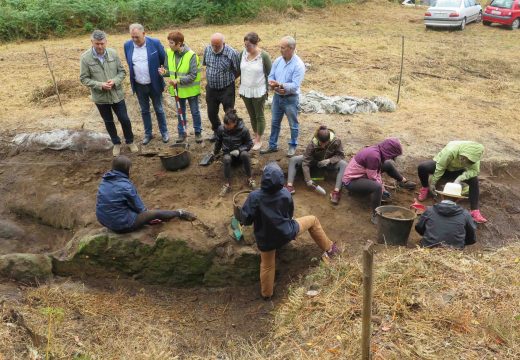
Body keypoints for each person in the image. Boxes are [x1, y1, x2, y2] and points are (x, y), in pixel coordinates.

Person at [239, 162, 340, 300]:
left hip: (266, 240)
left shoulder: (254, 197)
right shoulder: (285, 193)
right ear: (281, 179)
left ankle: (267, 295)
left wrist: (242, 215)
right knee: (313, 220)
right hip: (287, 232)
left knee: (267, 265)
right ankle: (330, 249)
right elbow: (289, 215)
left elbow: (246, 220)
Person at [96, 156, 196, 233]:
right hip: (121, 226)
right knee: (153, 213)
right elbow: (141, 209)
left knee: (125, 207)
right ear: (127, 169)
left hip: (104, 221)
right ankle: (180, 213)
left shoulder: (104, 181)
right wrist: (147, 218)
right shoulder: (126, 186)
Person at [80, 30, 138, 157]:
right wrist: (100, 85)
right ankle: (116, 143)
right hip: (100, 97)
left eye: (102, 43)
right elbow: (84, 78)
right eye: (97, 44)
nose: (100, 46)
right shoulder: (85, 58)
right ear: (92, 42)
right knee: (108, 121)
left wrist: (115, 81)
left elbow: (122, 72)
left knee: (124, 119)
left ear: (106, 42)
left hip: (117, 94)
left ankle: (130, 141)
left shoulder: (113, 53)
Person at [342, 138, 416, 224]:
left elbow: (376, 172)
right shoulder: (374, 156)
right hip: (351, 181)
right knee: (377, 187)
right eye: (394, 155)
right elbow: (373, 178)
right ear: (390, 152)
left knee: (388, 164)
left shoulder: (378, 151)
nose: (393, 157)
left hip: (363, 175)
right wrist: (382, 190)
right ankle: (375, 215)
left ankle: (403, 182)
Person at [417, 141, 487, 223]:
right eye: (463, 159)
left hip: (457, 171)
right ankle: (425, 187)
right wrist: (433, 183)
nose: (464, 162)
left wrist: (460, 178)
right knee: (422, 167)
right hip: (444, 168)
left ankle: (474, 211)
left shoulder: (475, 158)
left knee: (474, 180)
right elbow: (440, 167)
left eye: (468, 161)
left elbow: (474, 171)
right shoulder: (451, 151)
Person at [260, 36, 305, 157]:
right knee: (274, 122)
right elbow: (271, 76)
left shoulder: (298, 65)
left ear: (291, 48)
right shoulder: (278, 61)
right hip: (277, 97)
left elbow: (295, 85)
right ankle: (272, 145)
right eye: (280, 47)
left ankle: (293, 146)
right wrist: (273, 85)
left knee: (293, 124)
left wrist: (280, 85)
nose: (280, 49)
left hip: (290, 99)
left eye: (283, 47)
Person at [124, 23, 169, 145]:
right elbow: (130, 64)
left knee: (159, 109)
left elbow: (165, 60)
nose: (134, 39)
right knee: (144, 110)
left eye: (137, 37)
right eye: (132, 36)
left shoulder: (155, 43)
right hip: (139, 85)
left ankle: (164, 132)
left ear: (144, 34)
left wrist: (165, 72)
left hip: (154, 84)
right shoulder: (127, 45)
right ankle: (148, 134)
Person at [158, 30, 203, 144]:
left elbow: (193, 76)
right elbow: (169, 71)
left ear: (179, 43)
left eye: (172, 43)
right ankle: (181, 133)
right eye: (169, 42)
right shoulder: (169, 53)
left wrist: (177, 80)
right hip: (178, 90)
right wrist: (164, 72)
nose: (169, 45)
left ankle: (198, 132)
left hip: (191, 90)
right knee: (180, 112)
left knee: (195, 112)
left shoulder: (191, 55)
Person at [285, 125, 347, 205]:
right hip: (314, 162)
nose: (323, 145)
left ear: (329, 140)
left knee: (344, 164)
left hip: (329, 164)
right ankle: (289, 186)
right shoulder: (312, 143)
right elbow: (306, 161)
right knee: (293, 160)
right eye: (321, 143)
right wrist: (308, 179)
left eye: (326, 143)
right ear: (318, 139)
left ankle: (336, 192)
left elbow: (341, 155)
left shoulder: (336, 141)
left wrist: (329, 160)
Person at [202, 33, 240, 142]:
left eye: (217, 45)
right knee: (211, 112)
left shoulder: (231, 53)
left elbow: (237, 70)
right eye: (213, 45)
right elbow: (206, 65)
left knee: (229, 112)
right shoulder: (207, 50)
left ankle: (231, 133)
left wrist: (229, 79)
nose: (214, 48)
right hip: (211, 88)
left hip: (226, 88)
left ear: (223, 43)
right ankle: (217, 131)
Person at [415, 182, 477, 249]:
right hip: (454, 254)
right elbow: (472, 238)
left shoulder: (430, 211)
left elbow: (419, 228)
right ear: (459, 199)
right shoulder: (465, 215)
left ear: (442, 196)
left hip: (428, 248)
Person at [239, 32, 272, 151]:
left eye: (249, 46)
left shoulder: (264, 56)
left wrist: (271, 86)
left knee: (259, 115)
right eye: (245, 45)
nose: (246, 48)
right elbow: (239, 70)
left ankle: (259, 139)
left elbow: (270, 72)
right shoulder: (242, 53)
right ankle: (255, 135)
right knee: (252, 115)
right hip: (246, 90)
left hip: (259, 90)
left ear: (256, 44)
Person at [213, 109, 255, 196]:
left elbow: (249, 143)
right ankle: (227, 184)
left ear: (235, 123)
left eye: (228, 125)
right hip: (228, 154)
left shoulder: (244, 130)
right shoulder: (221, 129)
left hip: (239, 154)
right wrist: (215, 153)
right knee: (227, 159)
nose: (226, 126)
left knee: (245, 154)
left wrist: (239, 150)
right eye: (225, 124)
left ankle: (250, 178)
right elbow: (218, 142)